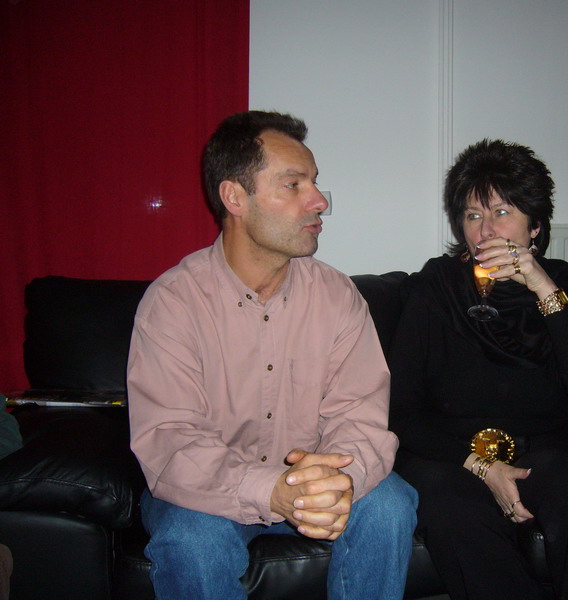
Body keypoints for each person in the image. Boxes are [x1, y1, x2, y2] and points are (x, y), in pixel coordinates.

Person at [127, 110, 417, 600]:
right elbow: (171, 438)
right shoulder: (174, 302)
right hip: (208, 493)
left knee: (389, 507)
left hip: (316, 482)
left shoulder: (337, 295)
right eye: (293, 184)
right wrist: (271, 489)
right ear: (235, 197)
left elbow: (358, 415)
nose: (319, 201)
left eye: (315, 183)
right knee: (192, 540)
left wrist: (336, 482)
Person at [389, 139, 568, 599]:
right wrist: (482, 466)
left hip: (542, 446)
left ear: (535, 226)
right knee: (455, 511)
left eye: (502, 212)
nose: (485, 231)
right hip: (449, 453)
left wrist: (542, 286)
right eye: (472, 215)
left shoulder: (562, 283)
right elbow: (399, 411)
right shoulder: (434, 288)